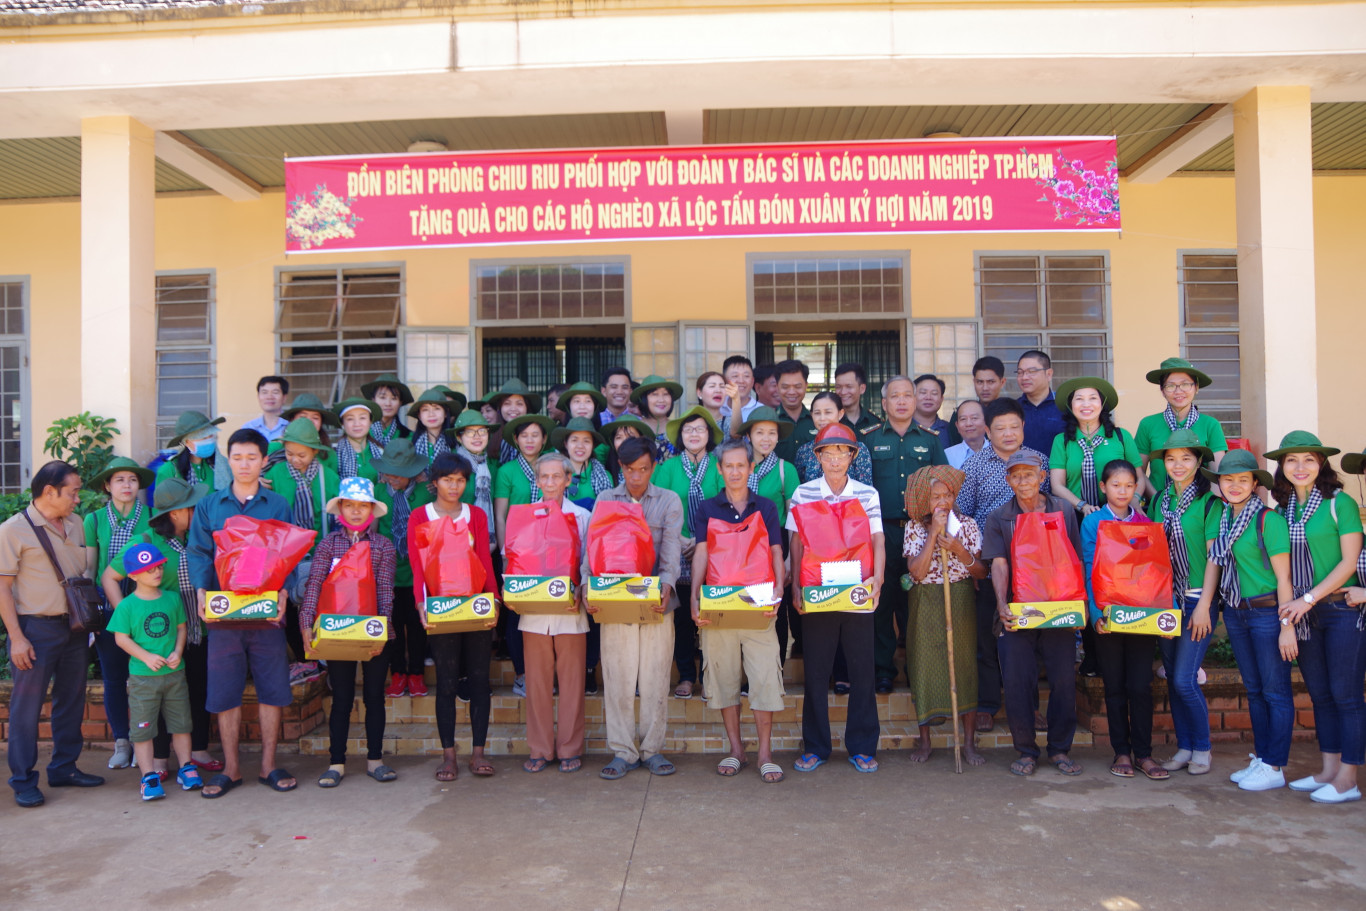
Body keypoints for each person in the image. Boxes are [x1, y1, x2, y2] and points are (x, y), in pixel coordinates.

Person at [187, 428, 298, 798]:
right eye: (237, 457)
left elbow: (288, 552)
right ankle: (231, 769)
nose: (244, 464)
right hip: (225, 612)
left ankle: (268, 764)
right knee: (224, 691)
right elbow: (199, 552)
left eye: (252, 457)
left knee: (272, 689)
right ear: (228, 459)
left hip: (266, 611)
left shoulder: (278, 504)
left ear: (264, 460)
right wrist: (203, 591)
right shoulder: (210, 505)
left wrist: (283, 591)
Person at [1264, 431, 1364, 803]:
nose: (1300, 467)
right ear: (1282, 468)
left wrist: (1309, 599)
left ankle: (1348, 779)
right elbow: (1283, 574)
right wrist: (1287, 624)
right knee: (1320, 695)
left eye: (1308, 459)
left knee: (1346, 696)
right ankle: (1328, 769)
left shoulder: (1340, 503)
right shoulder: (1281, 511)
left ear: (1321, 464)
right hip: (1303, 613)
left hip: (1340, 608)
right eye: (1291, 460)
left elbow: (1348, 563)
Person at [2, 460, 105, 808]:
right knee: (26, 709)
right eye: (72, 492)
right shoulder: (13, 530)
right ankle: (22, 780)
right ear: (49, 491)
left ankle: (64, 768)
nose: (78, 499)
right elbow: (2, 589)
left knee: (71, 701)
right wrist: (16, 637)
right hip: (35, 629)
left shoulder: (76, 524)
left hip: (74, 627)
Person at [104, 477, 219, 781]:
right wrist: (128, 616)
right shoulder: (145, 540)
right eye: (190, 507)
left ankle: (197, 750)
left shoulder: (194, 537)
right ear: (175, 513)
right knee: (157, 699)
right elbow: (109, 577)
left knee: (196, 689)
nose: (195, 511)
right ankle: (159, 758)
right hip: (158, 634)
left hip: (195, 627)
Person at [787, 424, 886, 773]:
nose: (834, 459)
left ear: (852, 456)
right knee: (816, 672)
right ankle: (816, 747)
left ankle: (862, 747)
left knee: (862, 671)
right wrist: (796, 586)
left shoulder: (867, 493)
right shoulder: (803, 493)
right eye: (827, 453)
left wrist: (879, 578)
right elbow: (796, 543)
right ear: (817, 457)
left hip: (858, 591)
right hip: (818, 593)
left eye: (841, 452)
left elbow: (877, 540)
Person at [981, 450, 1084, 777]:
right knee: (1017, 682)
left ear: (1042, 476)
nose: (1023, 480)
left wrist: (1077, 607)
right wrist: (1001, 604)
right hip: (1018, 611)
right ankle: (1026, 750)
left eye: (1029, 474)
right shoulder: (1000, 517)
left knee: (1064, 681)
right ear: (1008, 480)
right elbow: (998, 563)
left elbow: (1074, 558)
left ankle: (1059, 749)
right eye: (1016, 475)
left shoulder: (1063, 509)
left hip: (1059, 610)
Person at [690, 437, 786, 783]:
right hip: (718, 606)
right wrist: (695, 596)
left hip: (759, 606)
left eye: (740, 465)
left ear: (750, 468)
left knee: (763, 678)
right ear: (720, 469)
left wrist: (779, 587)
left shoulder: (767, 506)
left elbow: (776, 552)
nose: (734, 471)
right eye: (728, 466)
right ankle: (736, 749)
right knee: (724, 678)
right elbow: (701, 552)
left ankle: (764, 753)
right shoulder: (707, 507)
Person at [588, 437, 684, 780]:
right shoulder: (605, 499)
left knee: (656, 679)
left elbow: (671, 548)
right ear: (621, 468)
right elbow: (593, 550)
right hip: (615, 603)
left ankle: (652, 749)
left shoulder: (669, 500)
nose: (636, 477)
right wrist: (588, 588)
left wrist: (667, 585)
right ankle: (623, 752)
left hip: (657, 601)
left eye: (643, 469)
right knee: (618, 679)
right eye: (629, 470)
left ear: (653, 467)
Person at [1201, 450, 1294, 792]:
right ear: (1220, 484)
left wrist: (1287, 626)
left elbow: (1285, 579)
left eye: (1243, 480)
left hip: (1268, 612)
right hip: (1237, 613)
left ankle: (1275, 765)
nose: (1235, 486)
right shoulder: (1223, 519)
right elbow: (1216, 562)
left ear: (1255, 484)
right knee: (1254, 691)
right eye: (1228, 480)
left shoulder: (1268, 520)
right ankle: (1263, 757)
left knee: (1275, 691)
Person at [956, 397, 1051, 732]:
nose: (1008, 433)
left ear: (1023, 427)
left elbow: (1049, 509)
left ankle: (1029, 706)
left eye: (1014, 426)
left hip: (1035, 564)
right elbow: (963, 515)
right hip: (987, 563)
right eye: (1000, 428)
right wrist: (973, 562)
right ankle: (987, 704)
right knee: (987, 636)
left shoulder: (1041, 462)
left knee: (1032, 635)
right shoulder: (975, 466)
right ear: (986, 430)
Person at [300, 477, 398, 787]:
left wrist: (380, 631)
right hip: (335, 633)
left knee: (374, 697)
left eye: (363, 506)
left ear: (372, 509)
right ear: (340, 508)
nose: (356, 511)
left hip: (373, 633)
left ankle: (375, 760)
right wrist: (306, 625)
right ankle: (337, 763)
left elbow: (385, 591)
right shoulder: (328, 544)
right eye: (350, 505)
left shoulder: (382, 545)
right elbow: (314, 585)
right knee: (341, 697)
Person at [411, 452, 498, 781]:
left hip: (475, 605)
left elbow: (483, 561)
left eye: (461, 480)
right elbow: (419, 564)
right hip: (440, 608)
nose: (454, 486)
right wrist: (422, 603)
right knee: (446, 684)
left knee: (479, 681)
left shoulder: (475, 514)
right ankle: (449, 756)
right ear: (434, 483)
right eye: (448, 479)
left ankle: (478, 753)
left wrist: (494, 600)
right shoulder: (421, 515)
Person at [1081, 460, 1169, 781]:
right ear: (1103, 488)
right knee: (1114, 684)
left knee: (1141, 686)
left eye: (1129, 485)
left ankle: (1144, 754)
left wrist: (1162, 617)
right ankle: (1121, 751)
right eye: (1115, 485)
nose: (1122, 491)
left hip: (1141, 617)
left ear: (1137, 488)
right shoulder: (1093, 523)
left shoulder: (1146, 522)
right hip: (1108, 617)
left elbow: (1156, 573)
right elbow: (1090, 570)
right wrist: (1095, 615)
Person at [861, 375, 948, 692]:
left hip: (918, 534)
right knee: (881, 603)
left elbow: (944, 486)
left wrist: (935, 530)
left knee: (916, 605)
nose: (901, 401)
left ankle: (918, 668)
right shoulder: (868, 440)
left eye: (907, 395)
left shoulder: (930, 439)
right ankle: (884, 670)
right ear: (883, 404)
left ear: (914, 401)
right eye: (894, 396)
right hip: (880, 533)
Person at [1147, 429, 1223, 776]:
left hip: (1195, 600)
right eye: (1171, 458)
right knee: (1173, 679)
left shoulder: (1210, 502)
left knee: (1184, 679)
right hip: (1165, 601)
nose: (1178, 465)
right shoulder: (1158, 501)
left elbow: (1213, 559)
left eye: (1186, 458)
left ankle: (1203, 748)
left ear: (1199, 462)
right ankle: (1185, 747)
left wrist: (1206, 605)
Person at [903, 464, 987, 766]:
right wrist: (933, 535)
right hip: (926, 598)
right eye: (936, 496)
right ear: (927, 500)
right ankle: (925, 742)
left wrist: (957, 549)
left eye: (947, 495)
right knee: (924, 664)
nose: (942, 501)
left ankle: (967, 744)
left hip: (960, 596)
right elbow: (917, 571)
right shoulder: (914, 526)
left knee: (963, 664)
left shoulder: (967, 524)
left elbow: (981, 570)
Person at [108, 542, 201, 800]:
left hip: (174, 674)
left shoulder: (172, 598)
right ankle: (148, 776)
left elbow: (182, 627)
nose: (157, 572)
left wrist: (178, 652)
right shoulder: (127, 606)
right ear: (134, 575)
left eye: (159, 566)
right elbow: (121, 638)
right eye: (149, 570)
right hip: (142, 679)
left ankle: (186, 767)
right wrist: (146, 657)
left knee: (181, 724)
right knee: (143, 728)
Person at [518, 453, 592, 774]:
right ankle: (539, 748)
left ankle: (569, 748)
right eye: (544, 477)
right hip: (534, 612)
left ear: (567, 480)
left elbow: (591, 559)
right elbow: (516, 558)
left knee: (573, 684)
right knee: (536, 683)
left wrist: (584, 587)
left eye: (556, 477)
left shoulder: (582, 516)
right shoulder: (524, 516)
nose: (550, 483)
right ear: (537, 481)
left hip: (571, 611)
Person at [84, 456, 153, 771]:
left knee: (147, 676)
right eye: (120, 480)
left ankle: (147, 743)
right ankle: (121, 742)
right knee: (114, 678)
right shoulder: (94, 520)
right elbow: (89, 569)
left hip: (145, 605)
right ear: (107, 486)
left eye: (132, 479)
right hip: (108, 608)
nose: (127, 485)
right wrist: (92, 614)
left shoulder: (151, 517)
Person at [653, 406, 724, 698]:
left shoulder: (719, 465)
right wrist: (683, 540)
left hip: (716, 549)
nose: (694, 434)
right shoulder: (667, 468)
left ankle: (710, 676)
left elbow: (725, 503)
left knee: (711, 615)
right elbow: (660, 507)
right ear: (680, 437)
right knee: (682, 619)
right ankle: (685, 675)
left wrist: (703, 540)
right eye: (688, 430)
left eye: (700, 429)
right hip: (676, 549)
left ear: (709, 435)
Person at [262, 417, 339, 674]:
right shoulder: (274, 475)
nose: (295, 459)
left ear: (315, 451)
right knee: (292, 608)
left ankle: (325, 661)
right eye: (290, 453)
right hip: (285, 556)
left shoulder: (330, 478)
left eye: (302, 454)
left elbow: (337, 519)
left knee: (321, 606)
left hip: (322, 554)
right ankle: (306, 661)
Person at [371, 436, 431, 699]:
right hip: (388, 570)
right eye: (389, 473)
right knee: (392, 624)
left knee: (417, 625)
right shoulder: (378, 491)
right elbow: (372, 528)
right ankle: (397, 674)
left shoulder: (426, 493)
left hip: (418, 570)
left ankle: (416, 674)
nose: (393, 478)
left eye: (400, 474)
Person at [1050, 376, 1147, 516]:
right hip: (1075, 514)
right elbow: (1057, 485)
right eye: (1079, 399)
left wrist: (1134, 499)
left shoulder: (1121, 436)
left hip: (1118, 514)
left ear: (1102, 403)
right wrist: (1083, 506)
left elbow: (1139, 477)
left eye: (1093, 398)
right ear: (1070, 406)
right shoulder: (1061, 441)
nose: (1086, 404)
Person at [1135, 357, 1228, 493]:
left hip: (1200, 508)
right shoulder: (1148, 424)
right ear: (1162, 390)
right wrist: (1157, 500)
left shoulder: (1210, 425)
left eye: (1185, 384)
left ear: (1196, 387)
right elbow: (1139, 472)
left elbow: (1218, 473)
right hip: (1156, 507)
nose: (1178, 391)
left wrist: (1204, 506)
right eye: (1170, 385)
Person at [795, 392, 873, 484]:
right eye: (817, 413)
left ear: (840, 414)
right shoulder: (804, 451)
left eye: (828, 412)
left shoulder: (857, 449)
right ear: (811, 415)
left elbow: (865, 491)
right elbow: (802, 490)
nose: (822, 418)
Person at [158, 410, 230, 490]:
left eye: (211, 436)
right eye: (203, 438)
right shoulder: (170, 470)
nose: (209, 441)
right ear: (187, 442)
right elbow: (163, 501)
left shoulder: (222, 465)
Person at [553, 417, 613, 512]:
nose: (580, 446)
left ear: (593, 445)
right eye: (574, 440)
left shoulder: (605, 476)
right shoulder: (552, 475)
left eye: (586, 441)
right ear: (566, 444)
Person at [1016, 350, 1067, 457]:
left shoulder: (1065, 406)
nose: (1024, 377)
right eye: (1020, 372)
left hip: (1060, 472)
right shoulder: (1014, 409)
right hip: (1022, 472)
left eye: (1031, 372)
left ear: (1049, 374)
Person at [946, 357, 1006, 446]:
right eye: (980, 382)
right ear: (974, 382)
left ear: (1002, 382)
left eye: (991, 382)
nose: (985, 388)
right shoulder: (960, 414)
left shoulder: (1011, 413)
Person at [488, 379, 541, 462]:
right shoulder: (488, 438)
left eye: (519, 404)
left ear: (527, 407)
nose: (513, 409)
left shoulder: (539, 436)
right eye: (507, 403)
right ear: (500, 408)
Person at [631, 374, 684, 457]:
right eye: (654, 394)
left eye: (666, 394)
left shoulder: (680, 429)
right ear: (644, 398)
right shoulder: (634, 430)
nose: (661, 400)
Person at [332, 397, 383, 482]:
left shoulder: (380, 452)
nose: (357, 424)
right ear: (342, 423)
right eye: (350, 419)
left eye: (362, 418)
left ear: (370, 421)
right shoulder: (334, 453)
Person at [773, 359, 813, 464]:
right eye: (785, 387)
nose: (791, 392)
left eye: (797, 387)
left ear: (806, 386)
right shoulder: (770, 421)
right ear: (777, 387)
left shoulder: (817, 421)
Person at [361, 374, 415, 447]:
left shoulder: (408, 436)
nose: (388, 403)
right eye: (382, 397)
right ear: (373, 400)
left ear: (400, 402)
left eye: (394, 398)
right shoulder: (361, 433)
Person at [409, 388, 460, 463]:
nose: (431, 414)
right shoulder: (409, 442)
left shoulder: (457, 443)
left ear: (445, 413)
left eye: (437, 408)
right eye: (425, 410)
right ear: (419, 415)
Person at [241, 375, 290, 443]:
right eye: (264, 392)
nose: (269, 397)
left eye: (275, 392)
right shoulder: (249, 428)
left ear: (284, 397)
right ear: (258, 397)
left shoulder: (291, 426)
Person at [833, 363, 880, 433]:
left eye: (849, 386)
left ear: (862, 389)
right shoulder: (831, 420)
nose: (843, 392)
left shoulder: (875, 422)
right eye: (838, 387)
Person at [720, 355, 761, 431]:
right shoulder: (718, 406)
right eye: (735, 376)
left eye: (746, 376)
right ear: (723, 380)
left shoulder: (761, 410)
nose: (741, 381)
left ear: (752, 382)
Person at [944, 399, 988, 470]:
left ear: (986, 422)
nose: (968, 424)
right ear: (957, 426)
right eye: (963, 419)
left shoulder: (998, 452)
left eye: (974, 418)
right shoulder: (947, 455)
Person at [694, 371, 728, 437]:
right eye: (712, 386)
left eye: (722, 386)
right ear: (699, 393)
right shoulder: (689, 423)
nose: (718, 390)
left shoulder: (731, 423)